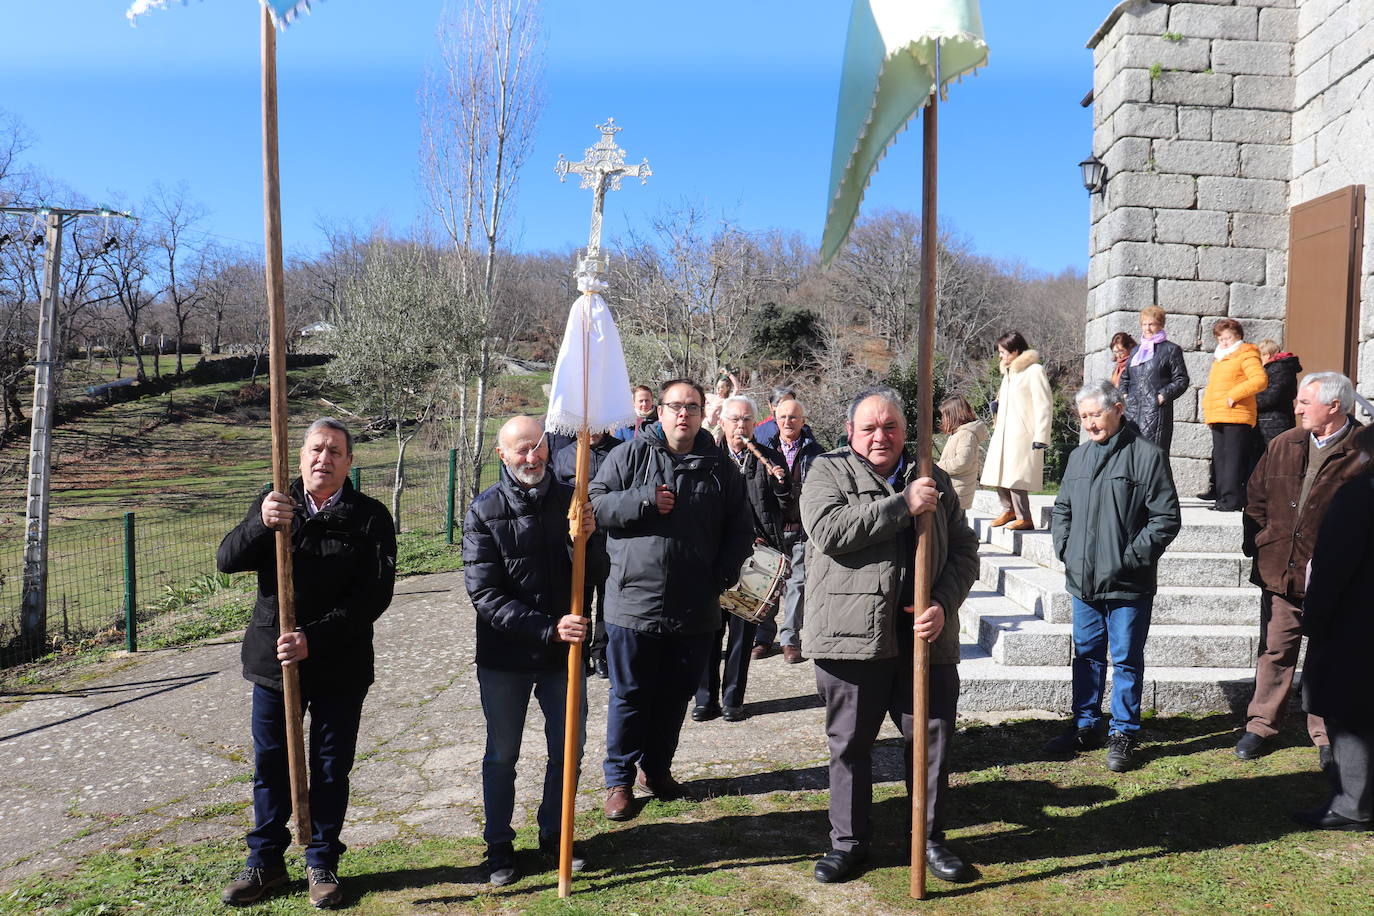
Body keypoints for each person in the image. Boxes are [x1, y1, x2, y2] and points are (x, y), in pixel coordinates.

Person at [802, 386, 980, 886]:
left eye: (891, 427)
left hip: (925, 637)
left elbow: (966, 551)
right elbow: (830, 530)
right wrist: (903, 504)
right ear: (851, 432)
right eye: (870, 428)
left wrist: (942, 604)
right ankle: (849, 844)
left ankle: (927, 841)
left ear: (905, 430)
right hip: (851, 636)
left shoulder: (933, 476)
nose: (881, 436)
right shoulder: (827, 471)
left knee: (932, 741)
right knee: (851, 744)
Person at [216, 418, 397, 909]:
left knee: (330, 766)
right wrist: (262, 521)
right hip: (274, 665)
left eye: (335, 452)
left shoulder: (371, 517)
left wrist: (312, 639)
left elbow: (373, 597)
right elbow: (226, 560)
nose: (324, 459)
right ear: (299, 457)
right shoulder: (276, 502)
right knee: (271, 763)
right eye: (316, 450)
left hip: (340, 663)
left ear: (349, 462)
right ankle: (265, 863)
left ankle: (322, 861)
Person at [589, 379, 754, 821]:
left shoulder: (721, 468)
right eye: (675, 406)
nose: (684, 414)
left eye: (693, 407)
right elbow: (595, 506)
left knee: (676, 695)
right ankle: (618, 781)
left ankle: (655, 770)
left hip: (695, 606)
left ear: (705, 415)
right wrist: (644, 500)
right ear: (658, 412)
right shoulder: (630, 455)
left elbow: (741, 530)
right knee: (630, 694)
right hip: (633, 603)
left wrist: (720, 576)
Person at [463, 415, 600, 886]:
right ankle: (499, 847)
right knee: (502, 754)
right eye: (521, 449)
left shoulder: (572, 501)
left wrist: (587, 536)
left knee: (568, 751)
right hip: (506, 658)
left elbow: (596, 572)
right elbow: (485, 596)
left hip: (564, 658)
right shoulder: (484, 511)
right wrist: (548, 628)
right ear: (503, 455)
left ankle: (555, 835)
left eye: (538, 446)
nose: (532, 456)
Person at [1047, 382, 1181, 772]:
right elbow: (1062, 510)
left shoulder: (1147, 455)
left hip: (1128, 583)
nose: (1090, 424)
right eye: (1084, 416)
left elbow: (1165, 518)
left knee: (1125, 659)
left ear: (1118, 410)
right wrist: (1065, 549)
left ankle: (1124, 731)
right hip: (1083, 582)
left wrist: (1129, 558)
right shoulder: (1078, 457)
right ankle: (1085, 725)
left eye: (1096, 414)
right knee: (1086, 655)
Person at [1235, 372, 1365, 762]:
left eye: (1305, 402)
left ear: (1334, 406)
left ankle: (1325, 733)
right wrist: (1258, 544)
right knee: (1276, 649)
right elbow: (1255, 499)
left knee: (1328, 654)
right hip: (1280, 568)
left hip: (1341, 578)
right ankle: (1261, 725)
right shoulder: (1283, 444)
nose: (1296, 408)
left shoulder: (1365, 451)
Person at [1293, 424, 1374, 831]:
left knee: (1349, 714)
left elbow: (1334, 564)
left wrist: (1316, 619)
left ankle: (1351, 804)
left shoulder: (1360, 494)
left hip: (1354, 625)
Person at [694, 395, 790, 722]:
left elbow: (788, 510)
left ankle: (733, 699)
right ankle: (704, 698)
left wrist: (782, 487)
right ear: (722, 422)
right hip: (714, 557)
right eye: (735, 419)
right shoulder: (708, 459)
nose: (741, 426)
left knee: (742, 633)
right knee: (708, 631)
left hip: (756, 558)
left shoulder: (770, 458)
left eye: (747, 420)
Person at [755, 394, 825, 662]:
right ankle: (763, 637)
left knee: (797, 583)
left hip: (801, 527)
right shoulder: (762, 450)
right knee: (767, 583)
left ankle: (790, 639)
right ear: (775, 418)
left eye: (793, 416)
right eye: (783, 416)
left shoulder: (816, 452)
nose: (788, 421)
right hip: (770, 527)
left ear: (803, 420)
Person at [553, 431, 622, 678]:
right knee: (580, 595)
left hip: (611, 536)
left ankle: (601, 652)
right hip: (578, 537)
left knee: (608, 597)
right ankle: (580, 651)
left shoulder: (620, 450)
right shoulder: (564, 455)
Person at [979, 331, 1053, 531]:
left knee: (1016, 476)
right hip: (1003, 432)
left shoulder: (1034, 371)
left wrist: (1041, 436)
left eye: (1003, 352)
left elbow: (1044, 404)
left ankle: (1024, 516)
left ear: (1016, 351)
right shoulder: (1009, 372)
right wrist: (997, 407)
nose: (1000, 356)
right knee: (997, 474)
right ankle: (1008, 509)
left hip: (1023, 434)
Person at [1198, 318, 1267, 511]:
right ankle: (1223, 498)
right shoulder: (1221, 358)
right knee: (1221, 458)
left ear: (1237, 337)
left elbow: (1260, 380)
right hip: (1219, 415)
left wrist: (1234, 395)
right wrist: (1208, 410)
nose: (1224, 342)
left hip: (1237, 414)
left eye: (1228, 338)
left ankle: (1233, 499)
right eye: (1220, 338)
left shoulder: (1246, 354)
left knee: (1233, 459)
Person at [1119, 306, 1190, 452]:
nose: (1147, 328)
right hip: (1131, 411)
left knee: (1153, 455)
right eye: (1144, 324)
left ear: (1161, 325)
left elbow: (1181, 380)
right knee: (1130, 454)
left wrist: (1162, 396)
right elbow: (1125, 378)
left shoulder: (1171, 350)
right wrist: (1125, 395)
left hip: (1156, 413)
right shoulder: (1135, 351)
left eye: (1151, 324)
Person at [936, 395, 988, 510]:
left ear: (953, 416)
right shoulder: (959, 434)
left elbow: (962, 462)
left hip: (958, 493)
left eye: (945, 416)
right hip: (954, 490)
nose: (943, 420)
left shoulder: (965, 435)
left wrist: (937, 467)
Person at [1254, 339, 1302, 446]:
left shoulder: (1280, 369)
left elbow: (1272, 396)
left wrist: (1250, 401)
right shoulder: (1278, 369)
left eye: (1259, 357)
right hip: (1271, 421)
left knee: (1274, 455)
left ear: (1267, 355)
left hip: (1274, 422)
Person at [703, 369, 741, 437]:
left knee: (715, 441)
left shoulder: (727, 401)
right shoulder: (708, 396)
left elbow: (737, 388)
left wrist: (728, 374)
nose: (718, 389)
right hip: (706, 424)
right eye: (718, 386)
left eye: (721, 387)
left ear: (727, 388)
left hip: (717, 427)